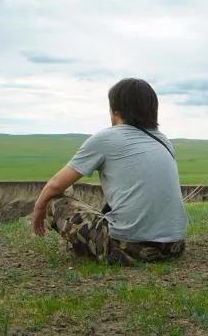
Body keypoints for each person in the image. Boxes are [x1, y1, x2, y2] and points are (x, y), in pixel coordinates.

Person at [31, 78, 188, 265]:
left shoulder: (106, 138)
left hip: (129, 247)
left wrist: (39, 209)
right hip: (173, 246)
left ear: (115, 112)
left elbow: (56, 184)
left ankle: (99, 249)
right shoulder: (164, 141)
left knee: (54, 202)